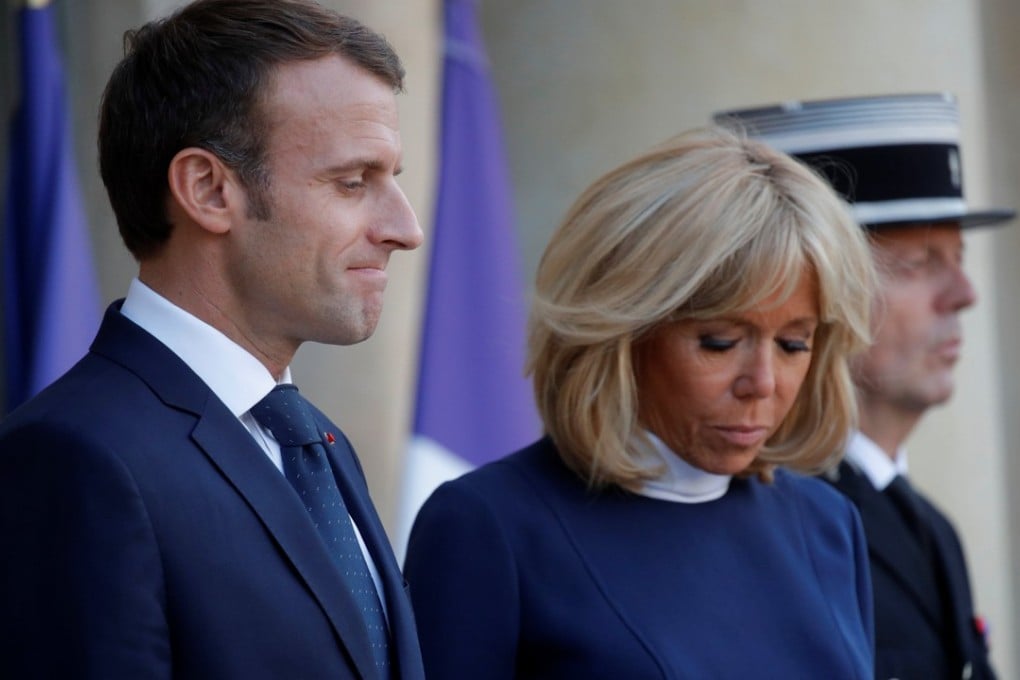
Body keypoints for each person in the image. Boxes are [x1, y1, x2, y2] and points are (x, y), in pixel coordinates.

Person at [0, 1, 425, 678]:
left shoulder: (316, 446)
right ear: (207, 189)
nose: (405, 229)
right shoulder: (73, 457)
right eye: (352, 182)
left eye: (391, 180)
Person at [403, 126, 878, 678]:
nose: (764, 383)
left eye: (794, 344)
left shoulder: (828, 524)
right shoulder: (489, 527)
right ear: (624, 333)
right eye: (720, 342)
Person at [714, 92, 1012, 680]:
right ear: (815, 294)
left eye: (958, 257)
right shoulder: (765, 522)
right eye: (919, 263)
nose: (964, 294)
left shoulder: (928, 526)